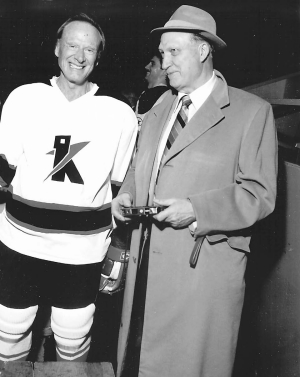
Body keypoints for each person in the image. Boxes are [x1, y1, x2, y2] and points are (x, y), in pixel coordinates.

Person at [112, 5, 277, 377]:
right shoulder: (158, 109)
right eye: (163, 53)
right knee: (141, 362)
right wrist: (126, 193)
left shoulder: (251, 112)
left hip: (200, 272)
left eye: (174, 52)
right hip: (147, 267)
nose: (164, 61)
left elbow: (259, 194)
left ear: (203, 50)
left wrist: (196, 208)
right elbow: (142, 166)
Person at [0, 13, 137, 362]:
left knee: (73, 334)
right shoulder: (23, 98)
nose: (79, 55)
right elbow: (3, 170)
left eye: (89, 49)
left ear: (98, 57)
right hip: (20, 241)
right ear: (58, 48)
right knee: (9, 328)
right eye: (72, 45)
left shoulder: (119, 114)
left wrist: (119, 248)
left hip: (83, 249)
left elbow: (121, 187)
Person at [135, 53, 169, 132]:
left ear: (164, 70)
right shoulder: (144, 94)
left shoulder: (168, 97)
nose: (146, 67)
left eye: (153, 64)